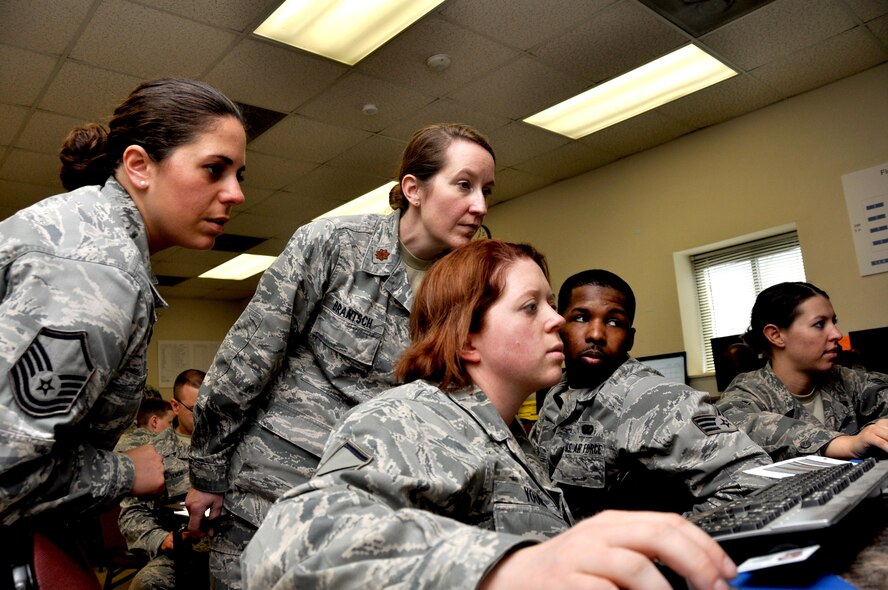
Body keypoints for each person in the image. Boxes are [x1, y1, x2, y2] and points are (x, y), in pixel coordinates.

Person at [241, 240, 738, 590]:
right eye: (530, 307)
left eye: (550, 302)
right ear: (469, 337)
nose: (558, 320)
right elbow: (292, 543)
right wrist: (509, 569)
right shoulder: (415, 417)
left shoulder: (515, 437)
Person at [186, 123, 496, 589]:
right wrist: (207, 471)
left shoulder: (470, 290)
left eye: (487, 190)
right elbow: (246, 359)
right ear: (413, 188)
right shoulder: (334, 244)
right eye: (464, 184)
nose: (480, 206)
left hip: (372, 508)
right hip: (271, 490)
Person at [0, 76, 246, 534]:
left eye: (238, 175)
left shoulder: (89, 230)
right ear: (139, 166)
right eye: (215, 169)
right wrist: (128, 472)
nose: (235, 193)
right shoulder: (97, 273)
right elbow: (6, 473)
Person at [531, 269, 771, 521]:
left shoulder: (658, 399)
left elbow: (753, 481)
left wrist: (662, 541)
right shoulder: (556, 393)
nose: (596, 334)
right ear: (559, 324)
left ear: (630, 339)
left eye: (614, 322)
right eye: (581, 318)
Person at [716, 282, 888, 462]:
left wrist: (876, 430)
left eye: (833, 322)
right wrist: (848, 444)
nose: (837, 334)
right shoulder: (748, 392)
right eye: (820, 324)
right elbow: (740, 426)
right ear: (776, 335)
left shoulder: (845, 379)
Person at [119, 369, 209, 590]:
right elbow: (132, 513)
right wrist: (161, 538)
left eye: (209, 407)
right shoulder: (153, 454)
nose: (203, 416)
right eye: (195, 409)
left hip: (231, 547)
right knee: (147, 584)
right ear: (176, 407)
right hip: (182, 551)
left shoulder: (229, 445)